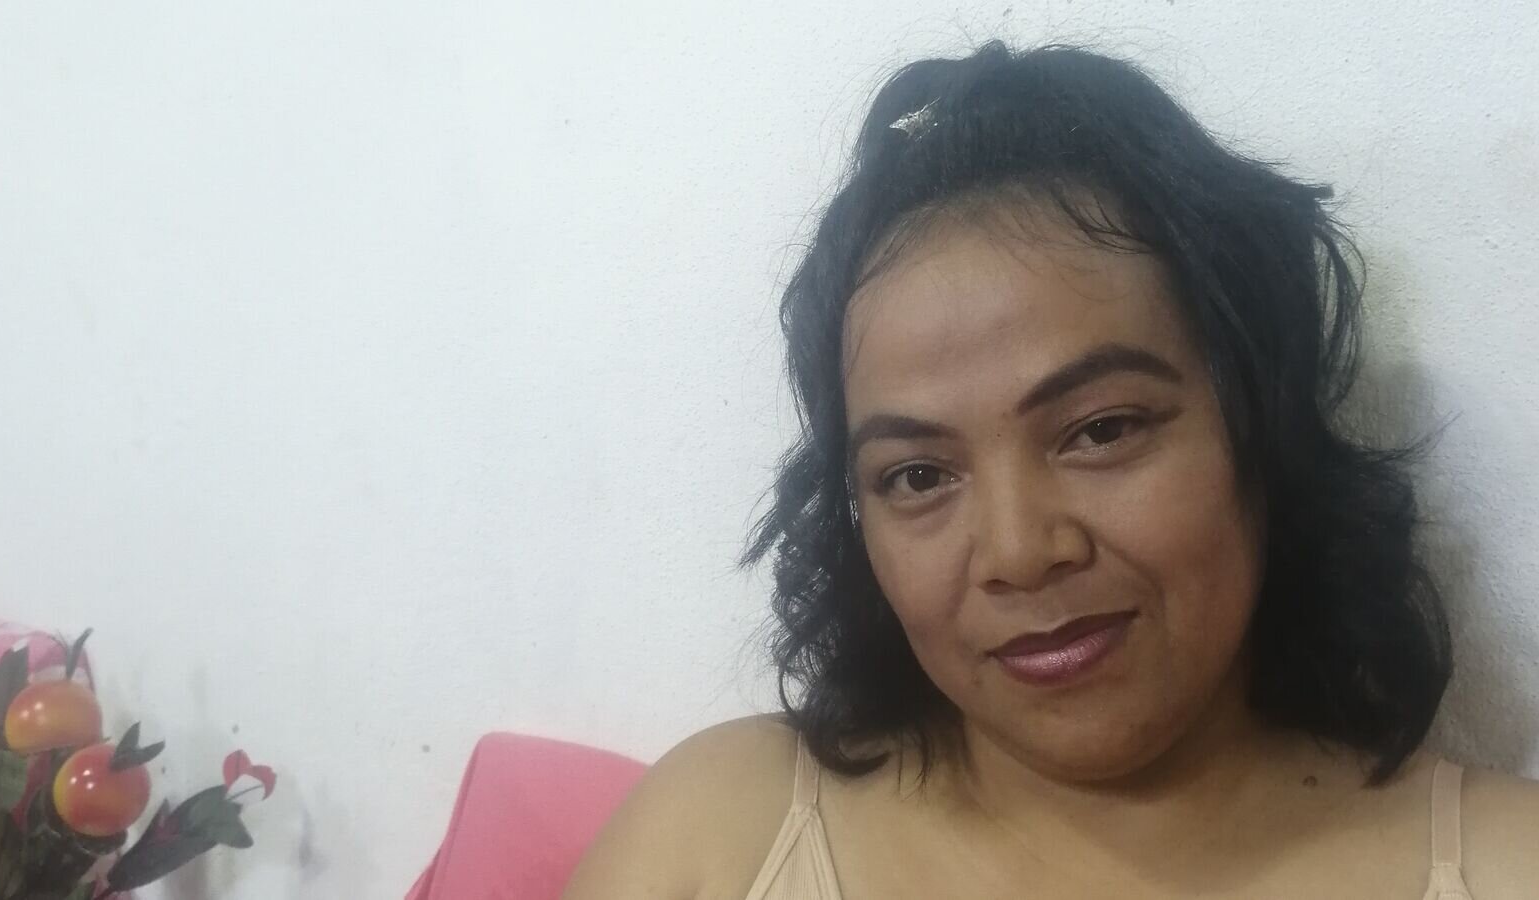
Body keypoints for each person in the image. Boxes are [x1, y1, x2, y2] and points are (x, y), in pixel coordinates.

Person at [563, 42, 1539, 899]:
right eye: (917, 477)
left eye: (1102, 430)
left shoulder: (1507, 866)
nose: (1020, 553)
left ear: (1258, 422)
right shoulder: (717, 836)